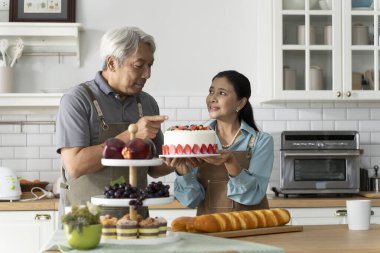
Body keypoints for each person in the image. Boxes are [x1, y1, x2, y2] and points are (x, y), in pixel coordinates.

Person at [56, 26, 173, 219]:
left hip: (136, 220)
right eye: (139, 65)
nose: (147, 74)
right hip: (86, 221)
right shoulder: (77, 100)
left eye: (150, 65)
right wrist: (131, 135)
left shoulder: (147, 103)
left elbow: (155, 168)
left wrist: (180, 161)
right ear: (111, 63)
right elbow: (75, 165)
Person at [163, 70, 274, 215]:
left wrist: (231, 162)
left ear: (240, 103)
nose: (212, 98)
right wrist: (182, 170)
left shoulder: (261, 141)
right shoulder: (196, 139)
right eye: (211, 91)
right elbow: (191, 200)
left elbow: (253, 195)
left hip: (250, 228)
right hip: (209, 229)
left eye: (222, 93)